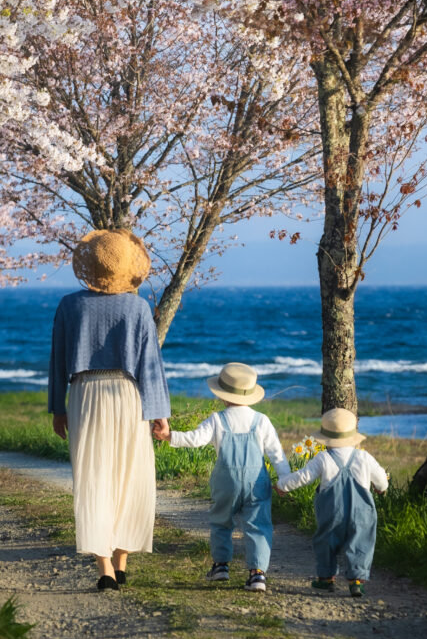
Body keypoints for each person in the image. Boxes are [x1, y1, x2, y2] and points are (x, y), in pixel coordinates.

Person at [48, 229, 170, 591]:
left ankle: (104, 568)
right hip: (128, 394)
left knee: (93, 477)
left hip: (84, 393)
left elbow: (57, 362)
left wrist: (58, 407)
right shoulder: (137, 307)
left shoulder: (70, 305)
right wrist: (159, 411)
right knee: (129, 476)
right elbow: (151, 364)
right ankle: (122, 561)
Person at [153, 362, 289, 593]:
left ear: (222, 395)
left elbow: (195, 439)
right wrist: (285, 480)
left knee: (221, 522)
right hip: (257, 483)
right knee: (258, 525)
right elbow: (277, 454)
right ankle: (257, 575)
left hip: (225, 483)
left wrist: (169, 436)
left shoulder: (218, 419)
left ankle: (221, 566)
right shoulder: (261, 420)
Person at [276, 408, 388, 599]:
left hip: (331, 512)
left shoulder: (323, 458)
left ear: (326, 437)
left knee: (325, 542)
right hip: (361, 514)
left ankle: (326, 579)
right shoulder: (364, 457)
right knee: (361, 543)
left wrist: (282, 485)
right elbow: (381, 481)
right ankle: (356, 582)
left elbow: (303, 477)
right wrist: (381, 488)